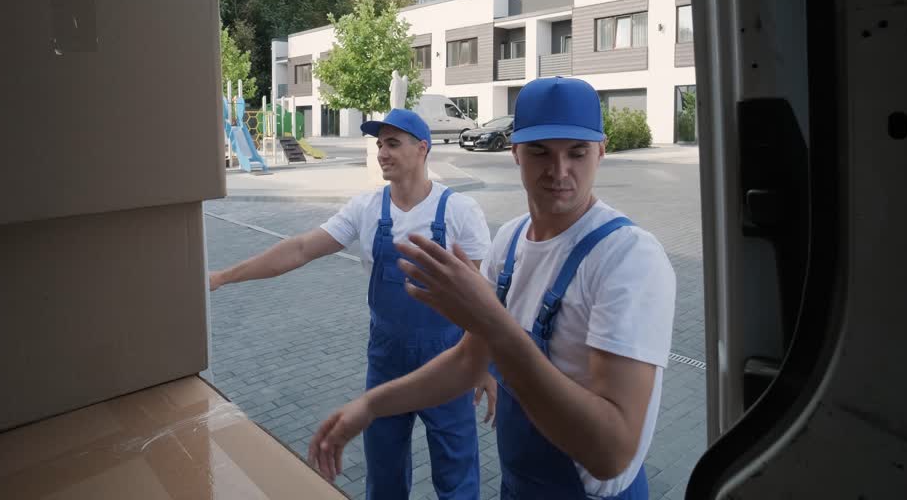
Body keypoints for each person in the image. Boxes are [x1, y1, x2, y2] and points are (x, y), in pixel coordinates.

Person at [308, 77, 677, 500]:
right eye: (540, 152)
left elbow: (612, 453)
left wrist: (495, 324)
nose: (559, 171)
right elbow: (469, 359)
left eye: (577, 153)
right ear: (515, 152)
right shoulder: (512, 240)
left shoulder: (628, 258)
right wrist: (372, 405)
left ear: (601, 151)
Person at [210, 108, 495, 500]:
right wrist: (223, 276)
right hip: (386, 361)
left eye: (392, 143)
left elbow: (481, 298)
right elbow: (301, 248)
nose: (382, 152)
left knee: (457, 475)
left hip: (448, 361)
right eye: (379, 145)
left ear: (422, 149)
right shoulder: (366, 209)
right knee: (384, 474)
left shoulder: (460, 212)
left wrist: (485, 362)